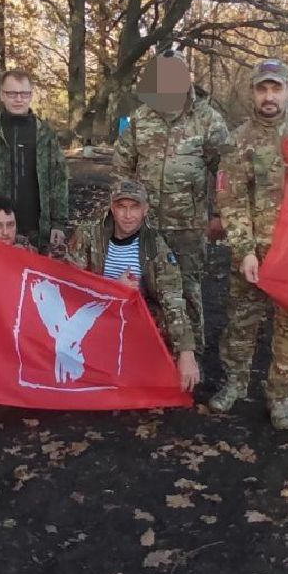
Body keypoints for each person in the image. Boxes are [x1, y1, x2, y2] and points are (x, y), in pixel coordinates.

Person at [211, 58, 288, 430]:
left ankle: (279, 397)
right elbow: (231, 200)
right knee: (240, 324)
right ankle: (234, 384)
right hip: (253, 254)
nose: (269, 96)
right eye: (262, 88)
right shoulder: (238, 139)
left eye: (276, 88)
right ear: (253, 92)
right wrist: (245, 250)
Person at [113, 52, 230, 353]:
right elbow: (122, 166)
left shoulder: (207, 119)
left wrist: (219, 213)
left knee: (187, 290)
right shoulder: (140, 119)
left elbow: (227, 170)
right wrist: (124, 210)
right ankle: (149, 354)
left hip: (188, 226)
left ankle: (190, 360)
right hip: (145, 225)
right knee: (145, 286)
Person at [66, 178, 200, 393]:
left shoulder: (154, 245)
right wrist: (113, 289)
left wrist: (187, 352)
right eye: (122, 207)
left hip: (136, 316)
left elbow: (172, 298)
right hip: (95, 313)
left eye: (135, 207)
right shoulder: (89, 235)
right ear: (112, 208)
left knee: (166, 330)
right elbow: (70, 284)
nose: (128, 216)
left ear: (145, 210)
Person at [0, 70, 68, 254]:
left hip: (37, 231)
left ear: (31, 96)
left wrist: (59, 223)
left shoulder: (46, 134)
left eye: (24, 94)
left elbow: (59, 180)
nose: (18, 99)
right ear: (2, 95)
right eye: (12, 94)